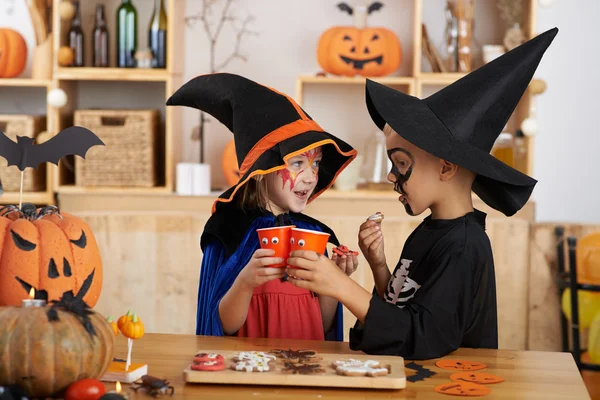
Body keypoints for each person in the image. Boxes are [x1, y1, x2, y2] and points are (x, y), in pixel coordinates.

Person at [285, 27, 558, 359]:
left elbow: (422, 338)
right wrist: (380, 267)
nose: (390, 175)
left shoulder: (464, 246)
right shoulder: (430, 231)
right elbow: (405, 312)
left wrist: (340, 287)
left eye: (400, 162)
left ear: (446, 168)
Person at [166, 72, 358, 341]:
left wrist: (334, 280)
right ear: (262, 170)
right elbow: (222, 326)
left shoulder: (309, 235)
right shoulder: (231, 231)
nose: (311, 176)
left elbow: (323, 324)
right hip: (252, 371)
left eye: (315, 164)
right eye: (297, 163)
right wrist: (245, 282)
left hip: (306, 369)